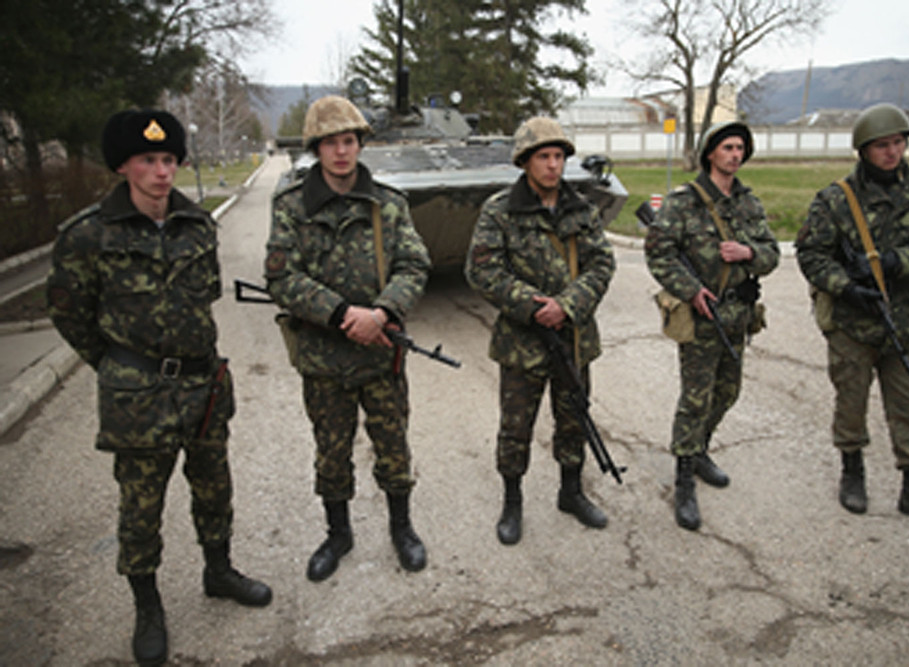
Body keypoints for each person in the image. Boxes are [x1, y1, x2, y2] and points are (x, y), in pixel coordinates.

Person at [46, 109, 271, 666]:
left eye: (169, 159)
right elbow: (70, 313)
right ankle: (147, 607)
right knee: (141, 506)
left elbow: (204, 298)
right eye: (148, 159)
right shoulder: (88, 235)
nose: (162, 171)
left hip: (202, 384)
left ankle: (219, 571)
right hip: (138, 395)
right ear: (123, 166)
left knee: (214, 487)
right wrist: (118, 366)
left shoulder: (198, 226)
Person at [265, 95, 432, 579]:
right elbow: (280, 277)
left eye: (349, 141)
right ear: (316, 148)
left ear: (359, 144)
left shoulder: (388, 204)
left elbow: (414, 263)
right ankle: (338, 534)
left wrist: (382, 312)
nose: (341, 152)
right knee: (331, 452)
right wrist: (342, 314)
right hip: (324, 359)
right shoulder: (292, 207)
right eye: (330, 143)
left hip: (380, 354)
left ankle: (402, 528)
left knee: (393, 445)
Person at [795, 103, 909, 532]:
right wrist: (846, 287)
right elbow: (812, 254)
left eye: (897, 143)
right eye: (882, 145)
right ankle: (852, 472)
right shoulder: (836, 200)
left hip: (905, 323)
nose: (892, 152)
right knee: (851, 403)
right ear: (863, 149)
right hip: (853, 325)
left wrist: (897, 262)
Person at [465, 116, 616, 546]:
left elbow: (601, 264)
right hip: (522, 342)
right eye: (543, 157)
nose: (553, 165)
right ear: (525, 161)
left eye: (558, 156)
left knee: (573, 419)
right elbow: (482, 270)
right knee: (516, 427)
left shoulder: (581, 210)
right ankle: (512, 502)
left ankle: (571, 492)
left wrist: (566, 306)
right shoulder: (500, 211)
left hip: (572, 337)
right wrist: (534, 307)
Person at [644, 121, 779, 531]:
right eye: (727, 148)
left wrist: (748, 253)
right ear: (710, 154)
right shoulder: (683, 202)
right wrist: (691, 291)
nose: (735, 155)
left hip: (738, 316)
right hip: (702, 315)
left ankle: (699, 449)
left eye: (740, 148)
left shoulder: (748, 203)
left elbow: (772, 253)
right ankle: (684, 478)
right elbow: (659, 254)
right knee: (695, 399)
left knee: (728, 391)